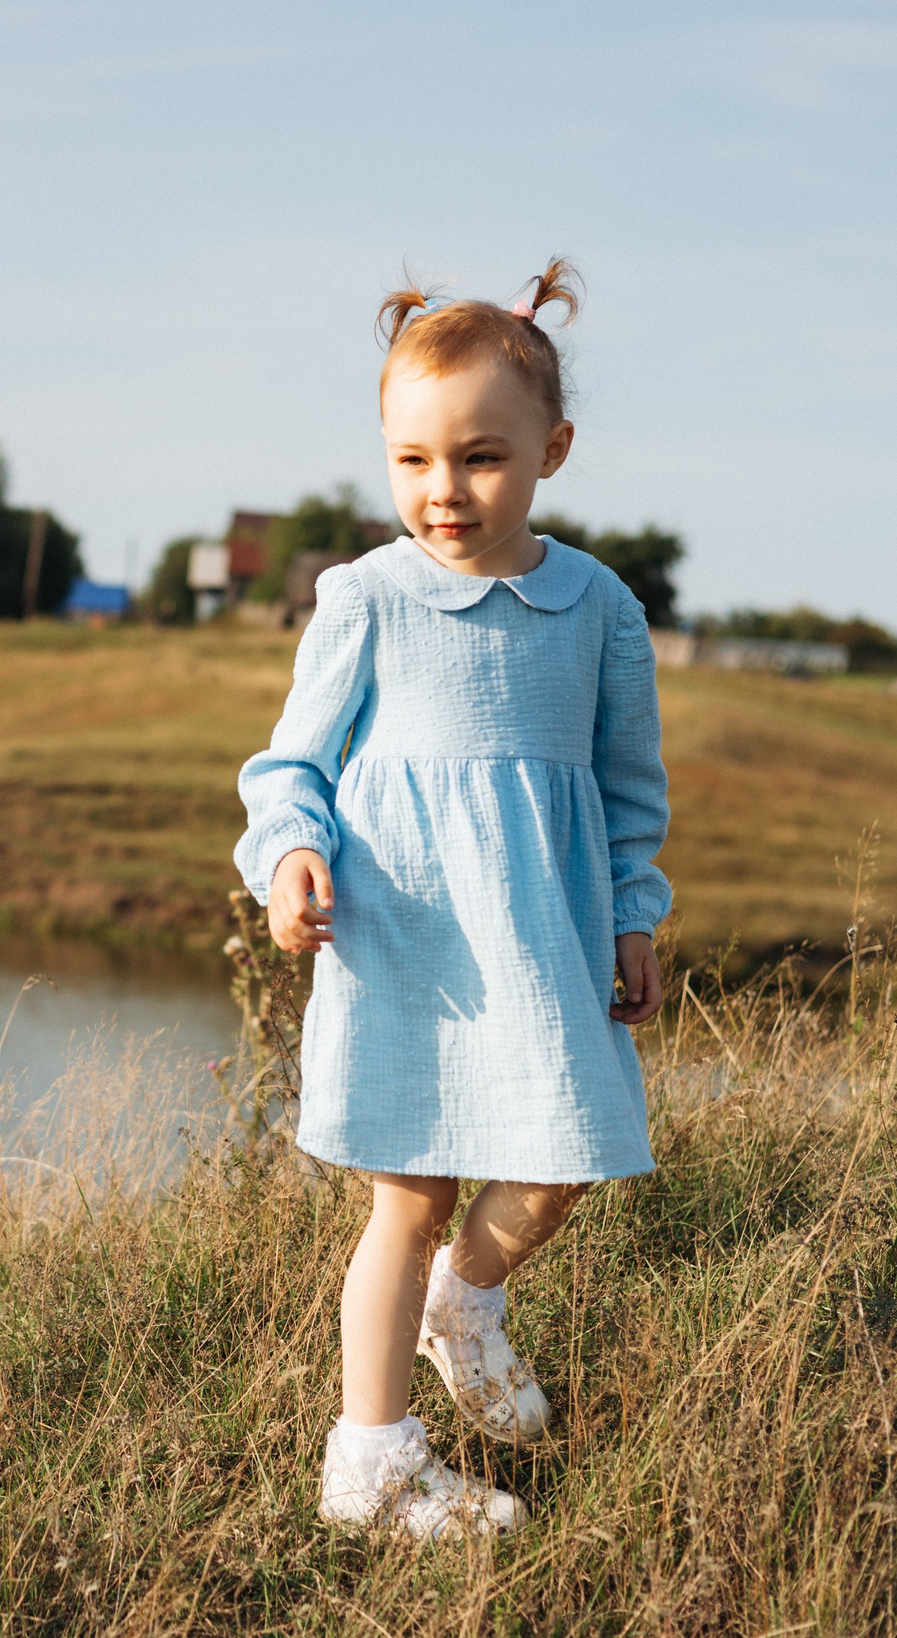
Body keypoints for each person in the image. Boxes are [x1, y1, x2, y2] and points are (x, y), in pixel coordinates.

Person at [234, 259, 669, 1540]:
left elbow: (627, 784)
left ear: (553, 449)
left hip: (545, 934)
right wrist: (291, 860)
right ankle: (368, 1462)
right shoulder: (366, 596)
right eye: (413, 460)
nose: (444, 492)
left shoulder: (599, 608)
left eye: (480, 458)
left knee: (568, 1160)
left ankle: (461, 1307)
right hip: (407, 936)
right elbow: (291, 765)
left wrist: (632, 910)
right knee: (407, 1198)